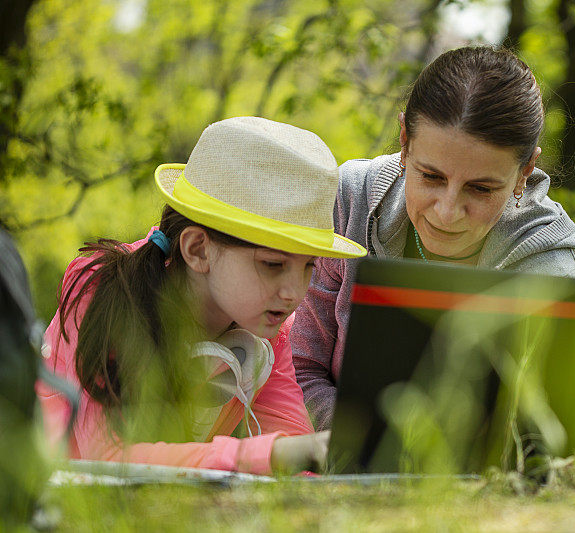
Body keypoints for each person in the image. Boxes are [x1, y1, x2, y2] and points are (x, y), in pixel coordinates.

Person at [36, 117, 366, 475]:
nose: (293, 294)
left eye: (308, 268)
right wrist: (264, 456)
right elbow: (106, 456)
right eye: (272, 264)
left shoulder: (269, 329)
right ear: (197, 249)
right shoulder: (102, 290)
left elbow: (294, 449)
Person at [292, 46, 575, 431]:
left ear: (525, 171)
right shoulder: (352, 200)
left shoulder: (546, 257)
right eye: (431, 177)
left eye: (480, 189)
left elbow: (543, 424)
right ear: (404, 140)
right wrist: (357, 446)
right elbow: (300, 366)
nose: (447, 212)